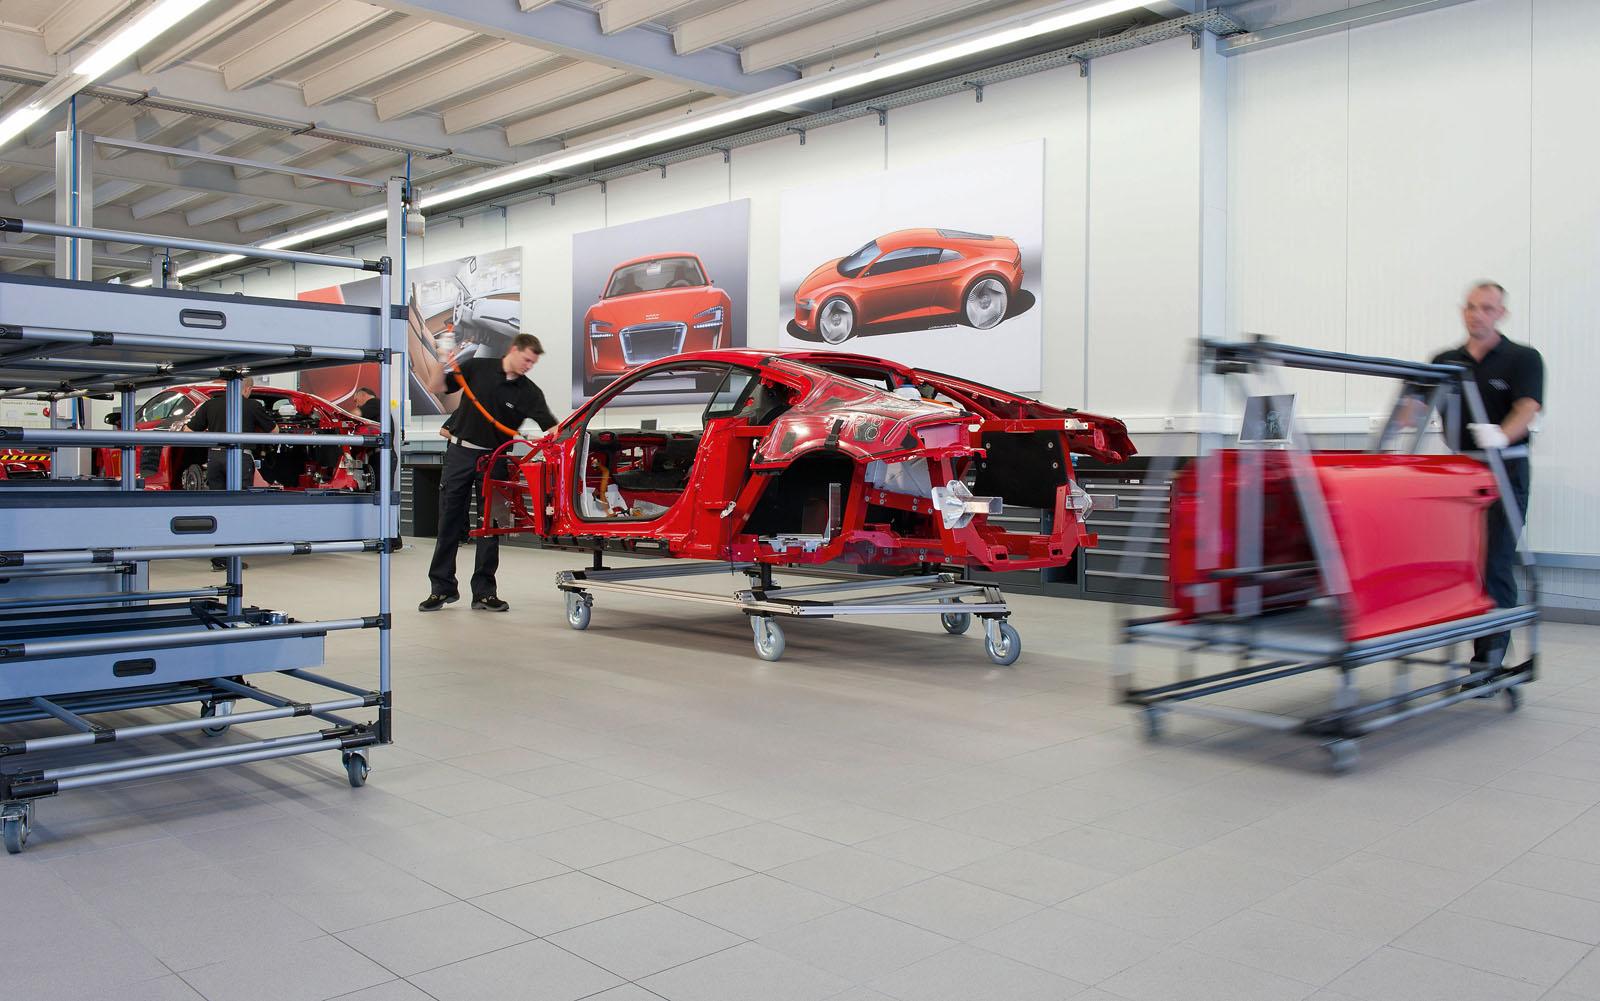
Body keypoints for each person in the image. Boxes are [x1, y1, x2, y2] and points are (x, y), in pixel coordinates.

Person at [1431, 281, 1543, 668]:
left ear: (1501, 314)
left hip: (1505, 470)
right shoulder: (1446, 360)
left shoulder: (1522, 358)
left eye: (1487, 308)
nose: (1477, 314)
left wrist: (1501, 436)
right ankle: (1474, 645)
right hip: (1461, 472)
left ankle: (1488, 663)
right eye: (1471, 306)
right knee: (1462, 565)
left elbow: (1527, 407)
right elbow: (1416, 402)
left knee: (1494, 563)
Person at [420, 332, 558, 612]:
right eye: (526, 360)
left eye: (533, 363)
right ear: (514, 349)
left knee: (491, 526)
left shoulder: (529, 392)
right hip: (460, 454)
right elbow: (436, 386)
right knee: (449, 522)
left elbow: (552, 428)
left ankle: (484, 592)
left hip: (495, 460)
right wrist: (442, 360)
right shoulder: (477, 367)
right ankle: (442, 589)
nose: (529, 366)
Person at [187, 376, 277, 570]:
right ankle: (229, 557)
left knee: (220, 507)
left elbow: (188, 431)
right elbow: (274, 431)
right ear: (247, 389)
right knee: (237, 508)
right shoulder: (252, 405)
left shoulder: (210, 404)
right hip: (239, 458)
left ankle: (221, 554)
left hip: (214, 458)